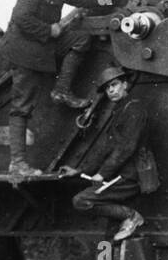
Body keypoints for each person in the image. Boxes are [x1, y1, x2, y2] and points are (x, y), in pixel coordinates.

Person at [2, 0, 109, 176]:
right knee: (22, 105)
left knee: (80, 39)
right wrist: (48, 30)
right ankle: (17, 163)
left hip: (42, 48)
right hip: (26, 51)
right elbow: (21, 18)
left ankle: (61, 90)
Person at [61, 66, 155, 242]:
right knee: (110, 236)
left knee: (80, 201)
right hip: (122, 175)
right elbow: (107, 147)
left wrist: (102, 173)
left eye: (114, 84)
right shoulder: (121, 109)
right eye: (107, 88)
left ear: (125, 84)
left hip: (131, 176)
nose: (111, 90)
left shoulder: (134, 109)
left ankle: (131, 216)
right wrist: (80, 169)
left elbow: (126, 148)